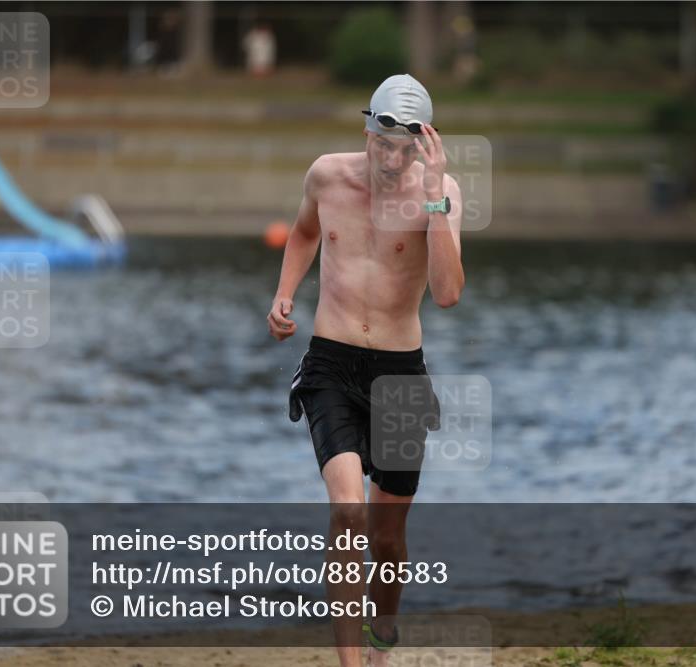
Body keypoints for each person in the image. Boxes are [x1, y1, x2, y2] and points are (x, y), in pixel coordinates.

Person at [267, 73, 463, 667]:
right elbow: (303, 233)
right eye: (384, 143)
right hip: (331, 359)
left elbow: (449, 292)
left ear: (424, 145)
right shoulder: (326, 174)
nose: (392, 159)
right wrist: (283, 295)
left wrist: (433, 197)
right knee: (348, 513)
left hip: (401, 374)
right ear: (367, 130)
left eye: (406, 149)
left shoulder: (441, 191)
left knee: (387, 536)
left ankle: (383, 638)